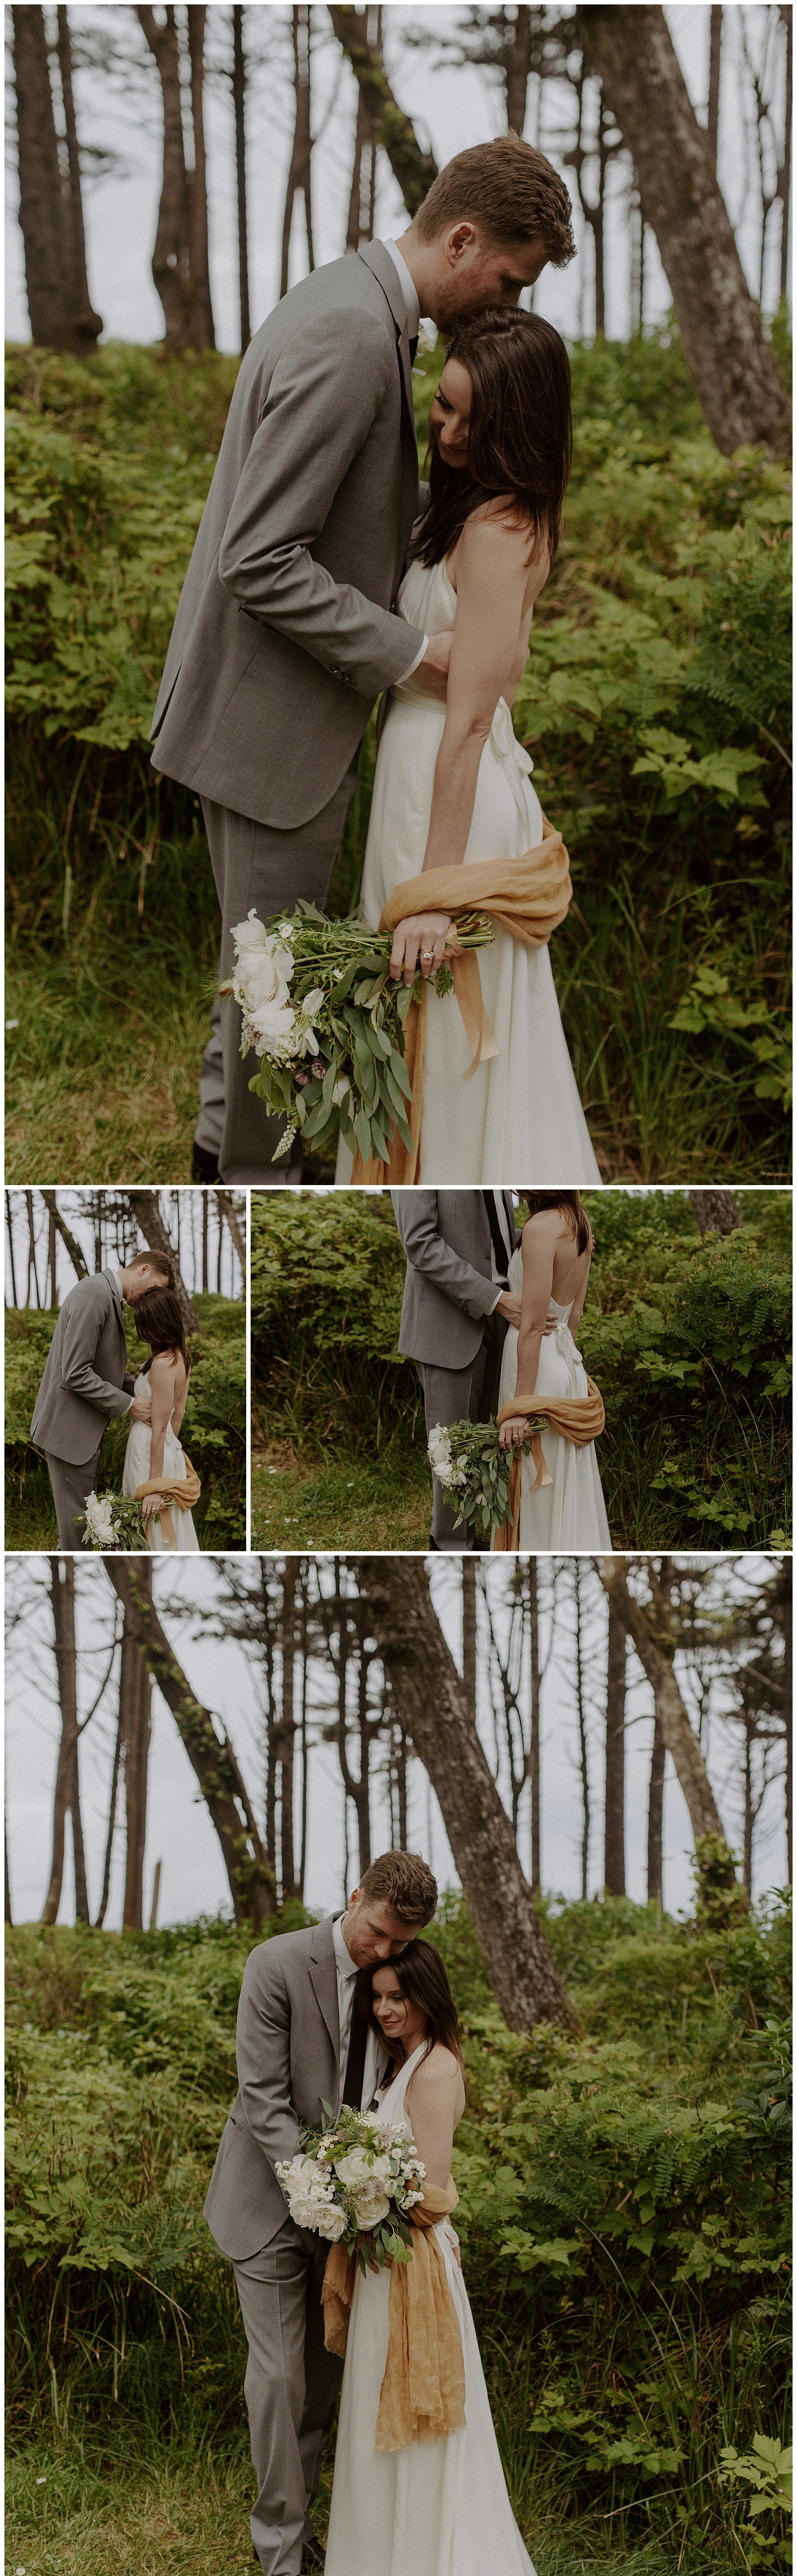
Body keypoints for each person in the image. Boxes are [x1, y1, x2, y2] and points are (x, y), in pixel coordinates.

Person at [149, 136, 576, 1183]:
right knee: (274, 1002)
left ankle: (231, 1156)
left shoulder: (357, 307)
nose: (501, 301)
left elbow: (349, 513)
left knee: (258, 984)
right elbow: (260, 553)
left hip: (272, 719)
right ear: (465, 238)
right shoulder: (351, 334)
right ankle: (252, 1185)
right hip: (268, 732)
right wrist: (407, 649)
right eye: (508, 277)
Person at [322, 1943, 668, 2576]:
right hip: (381, 2258)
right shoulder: (396, 2063)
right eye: (377, 1997)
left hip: (410, 2259)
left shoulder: (437, 2068)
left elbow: (433, 2190)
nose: (385, 2011)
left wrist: (361, 2192)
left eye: (398, 1997)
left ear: (427, 1996)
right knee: (377, 2413)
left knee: (419, 2422)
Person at [338, 313, 600, 1186]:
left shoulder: (503, 532)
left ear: (515, 428)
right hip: (413, 773)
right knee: (406, 1009)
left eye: (471, 423)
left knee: (450, 1025)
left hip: (454, 794)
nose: (447, 433)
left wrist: (436, 895)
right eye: (443, 408)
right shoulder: (460, 503)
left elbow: (474, 721)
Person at [203, 1851, 438, 2576]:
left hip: (356, 2224)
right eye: (377, 1932)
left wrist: (373, 2196)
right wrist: (322, 2187)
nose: (381, 1952)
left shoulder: (397, 1979)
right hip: (270, 2207)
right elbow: (262, 2098)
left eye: (398, 1942)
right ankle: (280, 2572)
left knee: (323, 2387)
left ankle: (299, 2525)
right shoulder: (276, 1965)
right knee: (276, 2378)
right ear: (355, 1899)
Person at [390, 1185, 521, 1546]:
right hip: (447, 1322)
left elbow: (494, 1238)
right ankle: (448, 1544)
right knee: (451, 1451)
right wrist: (494, 1298)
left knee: (480, 1444)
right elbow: (420, 1243)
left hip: (498, 1320)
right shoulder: (425, 1160)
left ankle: (470, 1536)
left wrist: (562, 1231)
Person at [29, 1246, 170, 1553]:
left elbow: (104, 1368)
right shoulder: (94, 1293)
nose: (152, 1298)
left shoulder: (107, 1296)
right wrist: (131, 1405)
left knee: (78, 1525)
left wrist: (147, 1390)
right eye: (155, 1288)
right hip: (69, 1435)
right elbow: (76, 1373)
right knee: (76, 1531)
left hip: (81, 1433)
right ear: (144, 1270)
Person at [493, 1190, 612, 1551]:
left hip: (534, 1365)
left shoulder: (542, 1227)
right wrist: (564, 1367)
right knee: (566, 1475)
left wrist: (521, 1408)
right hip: (566, 1361)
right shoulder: (579, 1223)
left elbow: (531, 1326)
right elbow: (573, 1316)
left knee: (536, 1480)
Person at [121, 1281, 200, 1551]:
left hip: (150, 1452)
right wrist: (171, 1453)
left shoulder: (164, 1364)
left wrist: (154, 1486)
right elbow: (180, 1412)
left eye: (142, 1321)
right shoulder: (180, 1356)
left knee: (151, 1523)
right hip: (162, 1450)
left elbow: (160, 1429)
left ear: (156, 1323)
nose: (139, 1328)